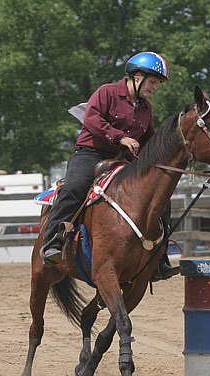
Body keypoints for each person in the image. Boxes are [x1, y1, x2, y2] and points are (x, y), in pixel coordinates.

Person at [41, 51, 180, 281]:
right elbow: (93, 120)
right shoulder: (106, 93)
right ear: (137, 77)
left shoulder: (147, 109)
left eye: (157, 84)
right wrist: (120, 138)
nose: (155, 88)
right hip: (90, 154)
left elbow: (148, 139)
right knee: (75, 187)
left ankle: (159, 257)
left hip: (123, 161)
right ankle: (52, 242)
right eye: (153, 82)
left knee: (159, 199)